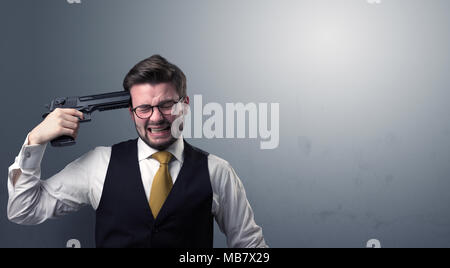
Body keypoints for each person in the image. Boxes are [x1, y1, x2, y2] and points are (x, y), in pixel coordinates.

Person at [7, 55, 268, 248]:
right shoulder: (99, 164)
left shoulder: (217, 171)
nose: (156, 118)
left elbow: (251, 248)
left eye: (167, 105)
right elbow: (22, 209)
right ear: (131, 113)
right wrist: (34, 141)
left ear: (185, 105)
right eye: (144, 108)